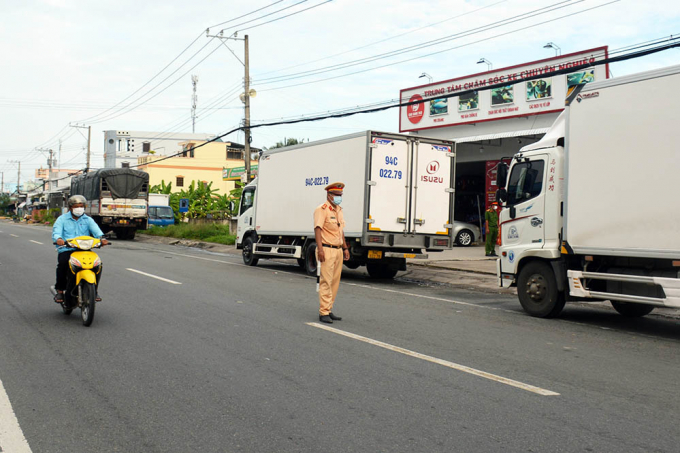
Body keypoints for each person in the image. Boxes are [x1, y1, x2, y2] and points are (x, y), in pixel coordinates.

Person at [52, 195, 108, 303]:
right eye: (76, 206)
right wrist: (58, 239)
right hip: (66, 249)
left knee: (97, 264)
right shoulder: (62, 219)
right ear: (70, 207)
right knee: (63, 263)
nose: (79, 209)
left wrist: (102, 239)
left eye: (81, 206)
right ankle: (59, 291)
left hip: (84, 250)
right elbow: (56, 232)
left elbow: (97, 231)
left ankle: (94, 290)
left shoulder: (88, 219)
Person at [314, 182, 349, 324]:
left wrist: (345, 248)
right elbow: (317, 229)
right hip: (327, 249)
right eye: (336, 195)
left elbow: (341, 230)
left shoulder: (339, 210)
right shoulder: (322, 209)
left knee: (335, 282)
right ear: (329, 195)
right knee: (326, 281)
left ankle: (329, 308)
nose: (339, 197)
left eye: (340, 195)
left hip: (338, 249)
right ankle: (323, 312)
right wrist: (320, 249)